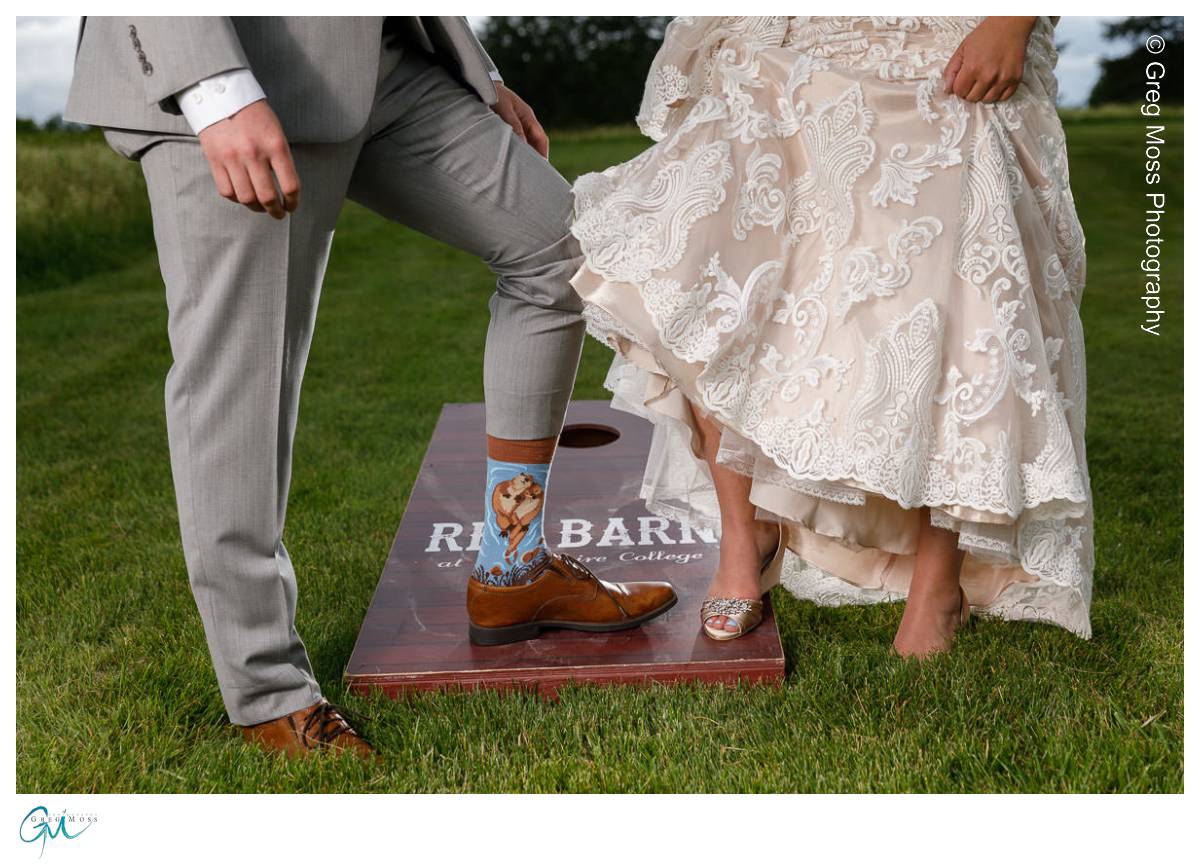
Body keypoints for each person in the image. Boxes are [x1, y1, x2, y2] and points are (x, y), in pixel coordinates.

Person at [64, 16, 676, 759]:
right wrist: (212, 86)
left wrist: (475, 72)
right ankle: (268, 691)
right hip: (233, 62)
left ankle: (513, 567)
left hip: (382, 68)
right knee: (240, 374)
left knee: (564, 249)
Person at [569, 16, 1091, 656]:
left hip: (948, 27)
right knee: (719, 251)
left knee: (947, 281)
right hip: (796, 23)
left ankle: (938, 583)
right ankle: (745, 537)